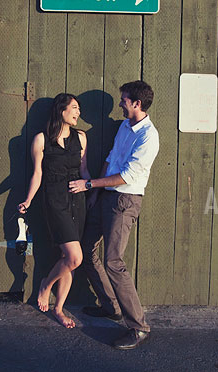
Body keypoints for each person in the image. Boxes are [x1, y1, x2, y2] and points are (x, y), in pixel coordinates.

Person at [69, 81, 159, 350]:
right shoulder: (124, 126)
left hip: (124, 200)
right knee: (87, 249)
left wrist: (88, 185)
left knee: (114, 262)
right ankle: (112, 307)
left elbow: (128, 176)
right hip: (105, 195)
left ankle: (139, 327)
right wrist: (96, 190)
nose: (120, 103)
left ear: (137, 104)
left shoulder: (148, 136)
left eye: (124, 100)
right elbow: (111, 158)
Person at [18, 93, 91, 328]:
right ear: (61, 110)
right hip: (54, 201)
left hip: (77, 202)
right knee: (75, 257)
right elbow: (37, 174)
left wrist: (93, 193)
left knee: (67, 258)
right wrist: (28, 200)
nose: (78, 113)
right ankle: (46, 286)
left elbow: (84, 170)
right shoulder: (41, 140)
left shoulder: (81, 138)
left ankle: (58, 309)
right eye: (75, 108)